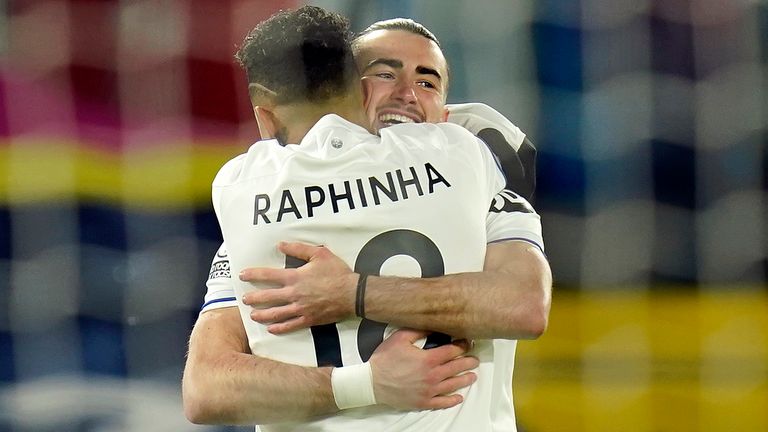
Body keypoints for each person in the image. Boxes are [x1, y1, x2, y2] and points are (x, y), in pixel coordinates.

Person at [184, 9, 551, 431]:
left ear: (445, 115)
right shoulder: (253, 223)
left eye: (427, 81)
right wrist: (366, 384)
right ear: (348, 91)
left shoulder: (248, 195)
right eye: (384, 74)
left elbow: (524, 306)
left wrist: (352, 292)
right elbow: (206, 387)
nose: (408, 94)